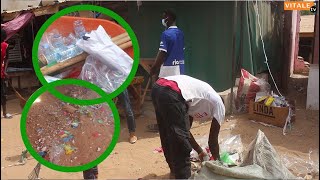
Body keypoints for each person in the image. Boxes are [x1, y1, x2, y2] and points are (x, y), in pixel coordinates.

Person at [151, 75, 225, 179]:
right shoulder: (219, 104)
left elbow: (186, 131)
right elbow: (212, 141)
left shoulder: (194, 100)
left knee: (168, 136)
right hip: (172, 91)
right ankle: (182, 177)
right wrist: (219, 165)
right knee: (182, 146)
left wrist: (200, 152)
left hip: (158, 88)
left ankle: (174, 172)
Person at [148, 9, 185, 132]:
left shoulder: (166, 34)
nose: (162, 20)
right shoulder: (180, 33)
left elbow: (162, 53)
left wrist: (153, 68)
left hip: (168, 71)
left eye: (163, 17)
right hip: (180, 70)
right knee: (178, 98)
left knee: (162, 99)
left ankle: (162, 125)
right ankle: (179, 124)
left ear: (168, 19)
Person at [1, 28, 12, 119]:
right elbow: (7, 58)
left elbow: (7, 58)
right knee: (3, 94)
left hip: (1, 73)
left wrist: (4, 70)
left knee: (3, 94)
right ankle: (4, 113)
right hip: (2, 73)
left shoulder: (5, 46)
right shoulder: (5, 45)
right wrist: (5, 70)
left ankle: (4, 113)